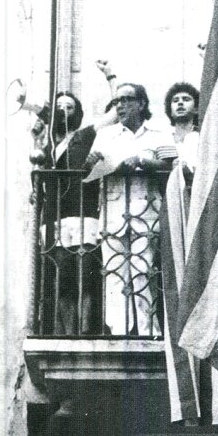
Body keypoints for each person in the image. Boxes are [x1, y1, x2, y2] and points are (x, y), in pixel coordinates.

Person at [31, 60, 119, 335]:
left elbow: (117, 112)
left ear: (78, 113)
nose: (65, 111)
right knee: (62, 278)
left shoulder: (85, 134)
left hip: (83, 213)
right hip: (54, 216)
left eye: (70, 107)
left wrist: (111, 76)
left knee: (85, 276)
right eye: (60, 108)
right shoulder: (48, 144)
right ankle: (65, 332)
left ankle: (84, 330)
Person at [86, 82, 175, 336]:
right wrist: (92, 162)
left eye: (126, 99)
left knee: (142, 270)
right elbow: (90, 170)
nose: (120, 106)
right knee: (114, 274)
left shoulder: (158, 132)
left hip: (146, 212)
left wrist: (144, 162)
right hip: (113, 210)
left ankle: (147, 331)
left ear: (141, 103)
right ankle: (119, 332)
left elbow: (170, 166)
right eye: (117, 101)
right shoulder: (105, 135)